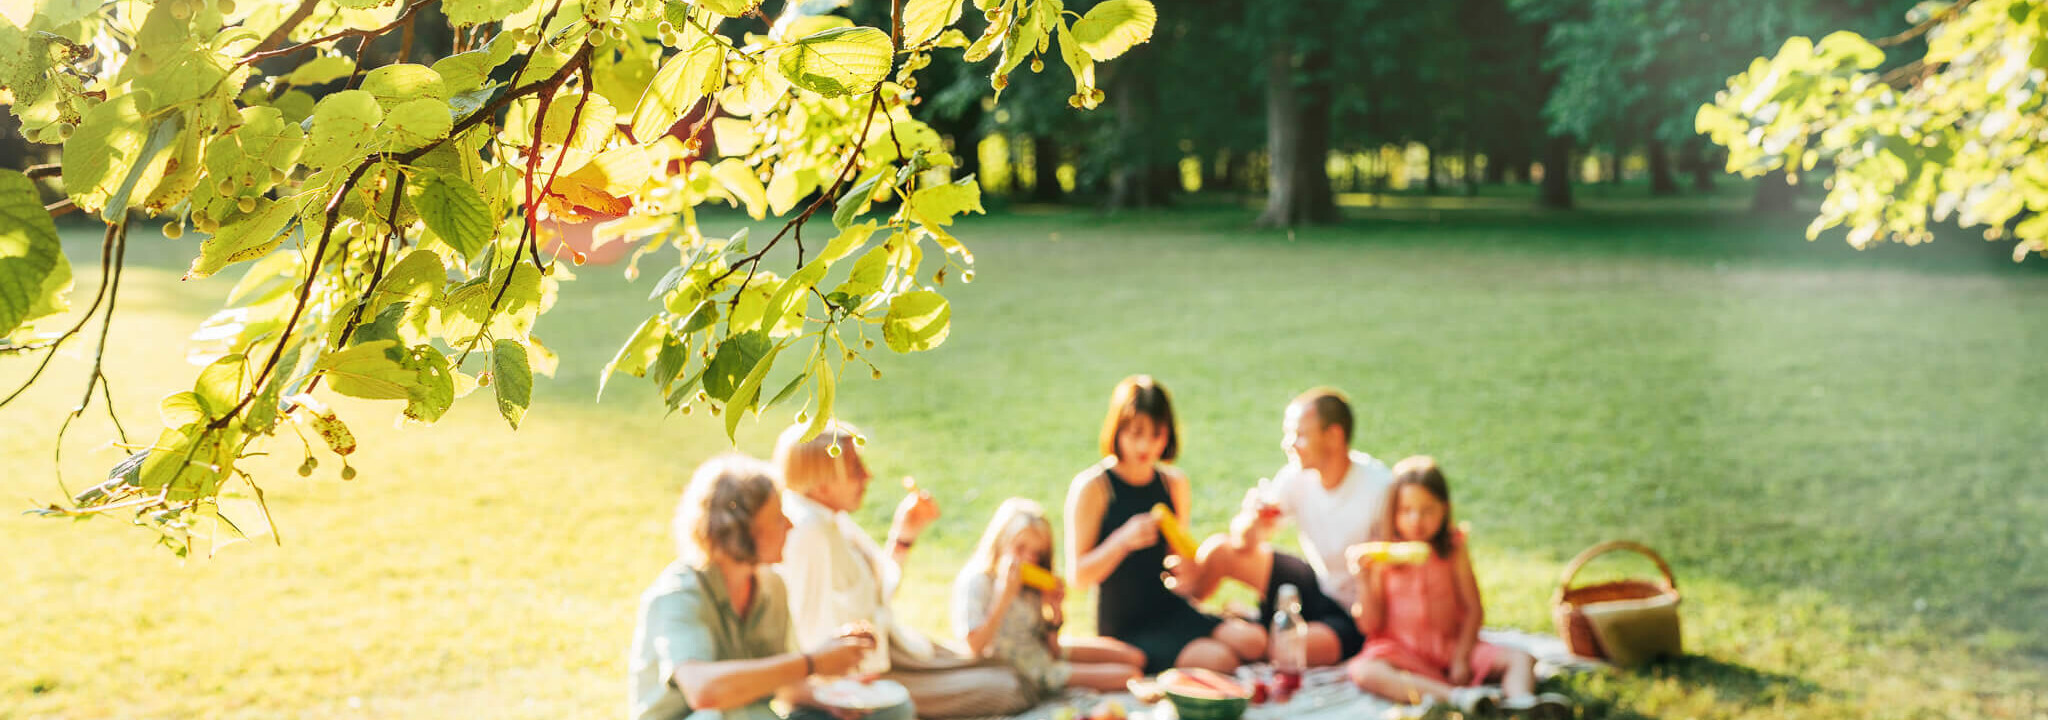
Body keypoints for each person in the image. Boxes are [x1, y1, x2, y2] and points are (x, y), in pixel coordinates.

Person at [773, 421, 1033, 718]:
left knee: (1003, 667)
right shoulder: (810, 532)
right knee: (1008, 688)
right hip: (865, 675)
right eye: (855, 469)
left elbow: (874, 594)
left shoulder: (832, 518)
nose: (867, 475)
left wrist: (904, 536)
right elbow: (805, 630)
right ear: (821, 483)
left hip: (892, 649)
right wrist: (839, 694)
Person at [628, 454, 911, 720]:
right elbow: (703, 692)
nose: (789, 525)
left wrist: (833, 696)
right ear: (741, 530)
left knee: (892, 711)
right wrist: (812, 662)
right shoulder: (679, 594)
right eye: (777, 518)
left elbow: (780, 685)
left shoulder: (772, 585)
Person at [1063, 375, 1266, 675]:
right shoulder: (1094, 487)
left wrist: (1187, 571)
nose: (1146, 444)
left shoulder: (1173, 483)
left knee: (1254, 642)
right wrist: (1122, 541)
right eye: (1136, 433)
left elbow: (1178, 562)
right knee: (1221, 660)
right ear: (1117, 429)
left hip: (1168, 606)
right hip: (1126, 623)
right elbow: (1078, 576)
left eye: (1156, 434)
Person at [1346, 456, 1571, 718]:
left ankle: (1521, 702)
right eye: (1406, 510)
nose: (1416, 520)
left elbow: (1474, 608)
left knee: (1520, 657)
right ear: (1392, 512)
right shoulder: (1380, 555)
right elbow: (1369, 625)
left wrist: (1462, 657)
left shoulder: (1453, 547)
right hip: (1400, 651)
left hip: (1451, 646)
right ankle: (1460, 698)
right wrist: (1362, 579)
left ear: (1445, 509)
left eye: (1427, 510)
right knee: (1364, 671)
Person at [951, 498, 1146, 701]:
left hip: (1044, 653)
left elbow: (1053, 649)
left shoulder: (1031, 586)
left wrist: (1054, 609)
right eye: (1020, 548)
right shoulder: (977, 581)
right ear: (1001, 541)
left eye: (1036, 553)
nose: (1028, 559)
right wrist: (1004, 596)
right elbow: (973, 647)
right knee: (1130, 675)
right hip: (1029, 669)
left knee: (1135, 658)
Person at [1177, 495, 1359, 667]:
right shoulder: (1296, 475)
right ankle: (1186, 612)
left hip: (1348, 610)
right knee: (1220, 551)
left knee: (1282, 650)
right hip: (1306, 580)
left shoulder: (1375, 484)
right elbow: (1243, 542)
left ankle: (1242, 630)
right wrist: (1253, 522)